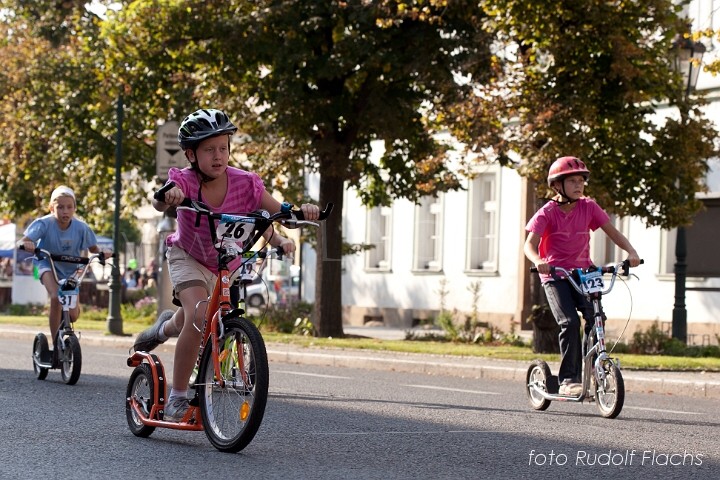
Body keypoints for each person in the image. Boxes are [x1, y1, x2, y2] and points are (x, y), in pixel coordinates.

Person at [133, 108, 320, 422]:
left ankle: (164, 328)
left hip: (224, 262)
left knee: (199, 315)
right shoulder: (185, 181)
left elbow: (275, 215)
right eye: (209, 150)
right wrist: (169, 196)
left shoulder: (246, 184)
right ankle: (178, 397)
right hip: (188, 256)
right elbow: (159, 200)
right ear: (192, 154)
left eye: (223, 148)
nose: (218, 156)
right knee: (197, 314)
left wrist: (302, 215)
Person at [523, 156, 641, 396]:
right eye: (572, 181)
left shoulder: (589, 207)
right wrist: (539, 261)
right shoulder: (547, 212)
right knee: (569, 322)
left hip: (583, 273)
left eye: (581, 181)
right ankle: (568, 379)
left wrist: (631, 252)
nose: (579, 185)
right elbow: (529, 245)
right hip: (556, 274)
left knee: (595, 316)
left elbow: (613, 232)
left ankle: (595, 368)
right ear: (557, 186)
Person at [18, 185, 112, 365]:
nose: (65, 211)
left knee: (73, 315)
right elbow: (24, 240)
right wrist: (28, 244)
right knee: (55, 297)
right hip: (47, 264)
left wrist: (103, 253)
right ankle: (55, 347)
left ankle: (63, 319)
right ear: (52, 208)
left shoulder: (82, 228)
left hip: (72, 269)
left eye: (69, 207)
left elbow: (94, 249)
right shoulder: (44, 224)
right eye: (60, 207)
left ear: (74, 208)